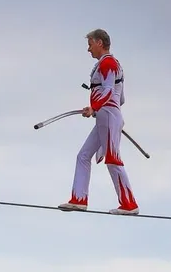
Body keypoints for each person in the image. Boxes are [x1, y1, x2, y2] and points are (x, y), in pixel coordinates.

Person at [58, 29, 139, 215]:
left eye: (90, 44)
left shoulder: (108, 63)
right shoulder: (109, 64)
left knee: (113, 159)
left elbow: (109, 90)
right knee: (83, 156)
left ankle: (129, 204)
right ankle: (78, 199)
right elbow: (122, 98)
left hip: (108, 116)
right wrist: (99, 109)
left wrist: (95, 107)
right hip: (106, 116)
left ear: (99, 43)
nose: (89, 49)